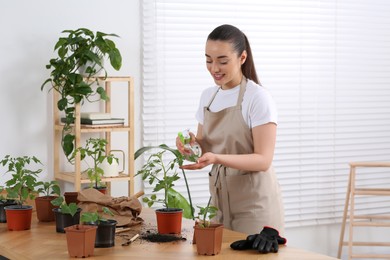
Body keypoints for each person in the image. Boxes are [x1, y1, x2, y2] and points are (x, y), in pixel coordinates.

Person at [176, 24, 285, 235]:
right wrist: (190, 146)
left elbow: (263, 160)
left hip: (256, 208)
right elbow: (205, 145)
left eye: (222, 61)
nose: (214, 68)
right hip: (220, 204)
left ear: (242, 58)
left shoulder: (257, 98)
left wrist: (217, 158)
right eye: (208, 60)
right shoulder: (208, 96)